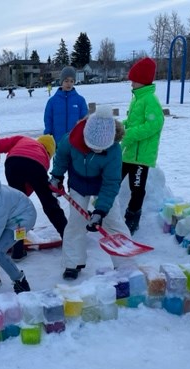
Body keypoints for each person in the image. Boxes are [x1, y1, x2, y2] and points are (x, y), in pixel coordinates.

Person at [49, 106, 129, 280]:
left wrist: (100, 211)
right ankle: (72, 263)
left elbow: (111, 183)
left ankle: (125, 264)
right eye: (93, 147)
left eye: (101, 149)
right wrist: (56, 176)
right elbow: (61, 157)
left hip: (102, 185)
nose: (97, 151)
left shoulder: (114, 151)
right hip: (78, 183)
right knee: (76, 222)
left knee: (113, 221)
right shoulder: (71, 139)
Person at [0, 133, 67, 260]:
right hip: (36, 166)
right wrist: (50, 196)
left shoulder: (22, 139)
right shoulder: (43, 156)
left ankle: (17, 250)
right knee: (50, 206)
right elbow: (33, 188)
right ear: (49, 152)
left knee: (17, 210)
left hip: (13, 163)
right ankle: (68, 238)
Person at [121, 57, 165, 235]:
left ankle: (132, 220)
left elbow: (154, 125)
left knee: (137, 189)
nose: (131, 83)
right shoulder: (137, 99)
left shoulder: (150, 100)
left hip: (141, 157)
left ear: (142, 80)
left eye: (134, 80)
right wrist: (121, 126)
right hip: (129, 152)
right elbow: (133, 122)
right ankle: (104, 212)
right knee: (113, 180)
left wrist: (129, 134)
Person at [43, 66, 88, 144]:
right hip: (58, 142)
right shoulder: (52, 101)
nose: (69, 84)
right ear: (61, 81)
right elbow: (48, 120)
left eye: (71, 81)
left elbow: (85, 120)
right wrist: (48, 136)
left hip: (75, 143)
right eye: (66, 81)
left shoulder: (80, 100)